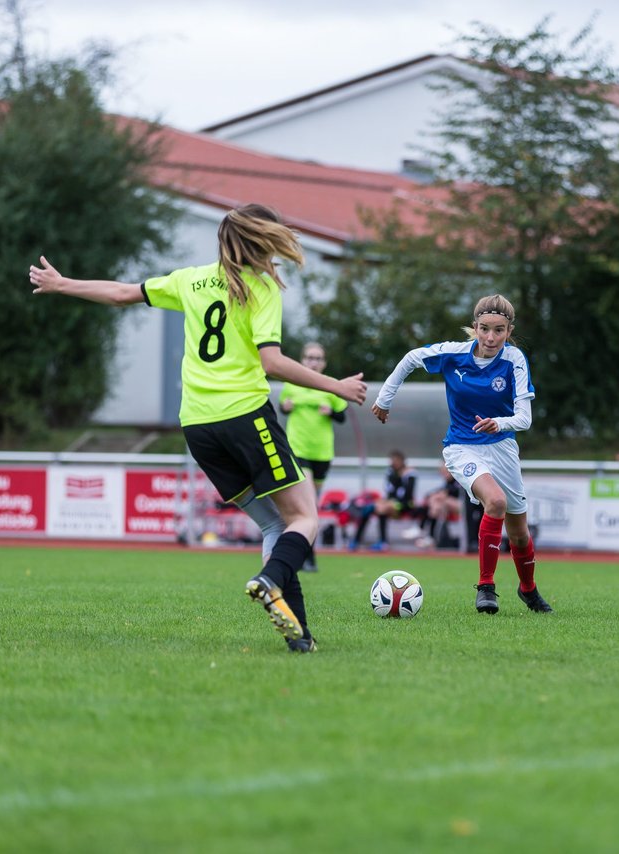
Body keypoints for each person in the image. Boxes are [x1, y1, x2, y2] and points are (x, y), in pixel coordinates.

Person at [29, 202, 367, 653]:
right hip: (245, 417)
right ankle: (269, 578)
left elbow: (121, 294)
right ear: (263, 240)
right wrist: (336, 386)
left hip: (198, 428)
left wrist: (62, 283)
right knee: (305, 517)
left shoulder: (190, 279)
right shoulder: (260, 287)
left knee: (274, 525)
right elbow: (272, 362)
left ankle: (299, 635)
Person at [371, 294, 552, 614]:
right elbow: (412, 357)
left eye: (499, 330)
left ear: (509, 331)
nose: (491, 337)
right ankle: (486, 587)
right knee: (494, 502)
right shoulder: (454, 354)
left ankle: (528, 589)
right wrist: (385, 399)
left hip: (503, 447)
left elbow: (525, 419)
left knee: (520, 534)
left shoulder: (514, 360)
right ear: (475, 327)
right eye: (484, 329)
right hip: (460, 447)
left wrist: (498, 422)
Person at [279, 342, 348, 571]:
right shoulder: (292, 384)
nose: (313, 361)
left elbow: (342, 416)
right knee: (306, 503)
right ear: (302, 360)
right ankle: (305, 557)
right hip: (298, 451)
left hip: (322, 453)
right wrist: (285, 407)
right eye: (309, 357)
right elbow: (282, 407)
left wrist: (332, 412)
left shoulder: (330, 385)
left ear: (324, 363)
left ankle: (307, 554)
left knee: (311, 508)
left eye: (318, 358)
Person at [348, 450, 417, 551]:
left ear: (402, 461)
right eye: (392, 460)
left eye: (395, 460)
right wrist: (386, 501)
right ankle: (357, 540)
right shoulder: (391, 473)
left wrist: (402, 477)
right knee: (376, 508)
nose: (393, 463)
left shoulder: (410, 475)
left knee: (380, 509)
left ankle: (383, 541)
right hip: (390, 504)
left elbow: (407, 495)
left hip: (405, 505)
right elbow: (389, 492)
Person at [416, 463, 464, 548]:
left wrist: (436, 496)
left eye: (446, 472)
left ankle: (423, 529)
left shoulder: (459, 479)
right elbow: (443, 491)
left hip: (464, 506)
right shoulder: (447, 482)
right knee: (436, 504)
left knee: (437, 502)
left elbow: (451, 493)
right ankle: (431, 536)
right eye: (442, 472)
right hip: (445, 508)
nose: (444, 474)